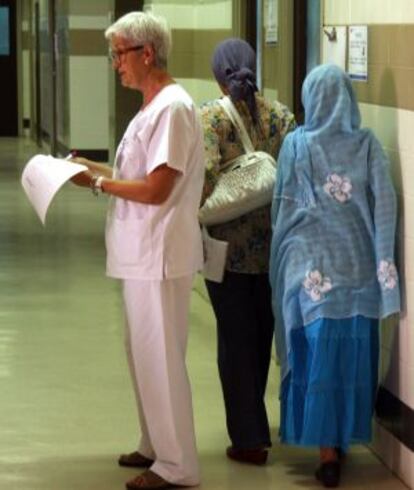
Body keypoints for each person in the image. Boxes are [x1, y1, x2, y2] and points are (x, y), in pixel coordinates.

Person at [70, 12, 204, 490]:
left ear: (147, 53)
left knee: (162, 358)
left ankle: (178, 467)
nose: (114, 65)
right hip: (141, 254)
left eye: (119, 54)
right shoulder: (151, 107)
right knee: (142, 354)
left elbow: (157, 189)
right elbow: (135, 171)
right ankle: (154, 444)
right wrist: (84, 166)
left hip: (160, 254)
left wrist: (100, 184)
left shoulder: (172, 108)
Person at [269, 64, 400, 488]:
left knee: (320, 356)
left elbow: (283, 210)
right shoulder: (368, 145)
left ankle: (329, 451)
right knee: (350, 359)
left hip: (312, 275)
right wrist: (384, 271)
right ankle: (335, 442)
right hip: (358, 275)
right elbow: (385, 209)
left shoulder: (295, 144)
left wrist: (286, 262)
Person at [199, 38, 296, 465]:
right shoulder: (282, 116)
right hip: (274, 248)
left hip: (227, 252)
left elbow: (203, 179)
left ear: (218, 74)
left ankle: (248, 438)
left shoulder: (210, 117)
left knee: (234, 343)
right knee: (259, 338)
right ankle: (254, 422)